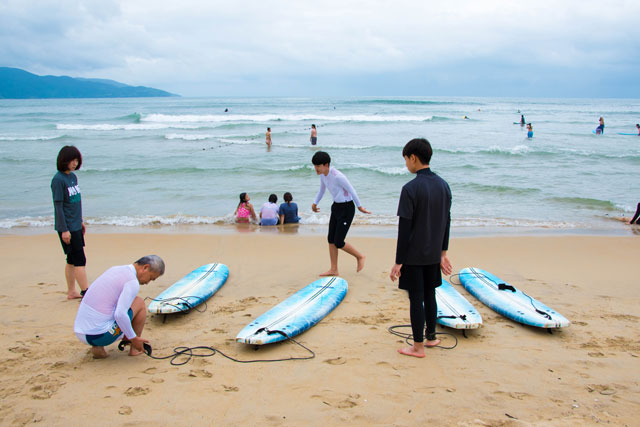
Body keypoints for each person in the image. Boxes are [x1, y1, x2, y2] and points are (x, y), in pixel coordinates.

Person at [390, 138, 452, 358]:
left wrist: (399, 261)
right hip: (434, 254)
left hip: (414, 256)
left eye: (406, 159)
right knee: (430, 294)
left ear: (413, 158)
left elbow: (404, 229)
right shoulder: (444, 185)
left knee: (416, 298)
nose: (406, 164)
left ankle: (417, 347)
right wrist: (443, 253)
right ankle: (431, 337)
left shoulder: (410, 189)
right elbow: (447, 221)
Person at [74, 255, 165, 359]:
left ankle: (99, 347)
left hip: (81, 332)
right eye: (151, 278)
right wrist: (133, 338)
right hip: (101, 336)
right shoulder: (132, 282)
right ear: (145, 268)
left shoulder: (115, 269)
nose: (148, 283)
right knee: (139, 303)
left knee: (118, 305)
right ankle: (134, 348)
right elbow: (120, 315)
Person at [311, 151, 371, 275]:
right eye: (315, 166)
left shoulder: (338, 176)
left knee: (339, 242)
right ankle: (334, 269)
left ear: (326, 165)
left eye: (318, 166)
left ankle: (360, 256)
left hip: (347, 208)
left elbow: (352, 190)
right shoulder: (323, 175)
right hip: (336, 207)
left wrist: (359, 206)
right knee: (331, 239)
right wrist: (315, 203)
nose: (316, 168)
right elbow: (322, 190)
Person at [51, 145, 89, 300]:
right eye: (71, 160)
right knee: (80, 259)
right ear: (63, 160)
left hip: (75, 225)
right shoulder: (58, 180)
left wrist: (80, 221)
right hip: (67, 228)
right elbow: (58, 206)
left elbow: (75, 202)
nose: (74, 163)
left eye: (76, 160)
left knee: (72, 260)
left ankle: (72, 291)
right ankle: (87, 292)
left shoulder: (73, 177)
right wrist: (64, 229)